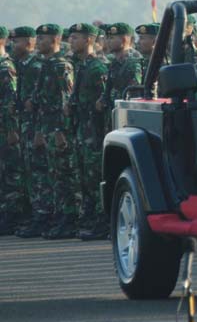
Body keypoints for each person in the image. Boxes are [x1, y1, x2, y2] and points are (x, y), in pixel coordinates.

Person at [31, 24, 76, 239]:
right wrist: (40, 130)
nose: (38, 42)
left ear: (54, 40)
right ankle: (56, 217)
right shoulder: (46, 64)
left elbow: (65, 102)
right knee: (51, 174)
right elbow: (42, 103)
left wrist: (60, 130)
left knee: (62, 175)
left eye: (42, 38)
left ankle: (67, 219)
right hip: (46, 127)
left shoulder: (61, 66)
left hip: (58, 129)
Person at [67, 24, 109, 240]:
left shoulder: (98, 68)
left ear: (88, 40)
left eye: (75, 38)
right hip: (83, 130)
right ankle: (91, 219)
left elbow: (105, 103)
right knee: (84, 177)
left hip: (96, 132)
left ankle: (103, 221)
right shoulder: (82, 66)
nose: (70, 42)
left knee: (95, 177)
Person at [10, 27, 44, 238]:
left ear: (29, 43)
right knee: (30, 172)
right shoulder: (24, 65)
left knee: (41, 173)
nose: (14, 45)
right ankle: (34, 214)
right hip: (26, 125)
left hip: (38, 126)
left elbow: (42, 101)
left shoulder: (36, 66)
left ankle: (43, 215)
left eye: (18, 41)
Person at [96, 24, 143, 132]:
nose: (108, 41)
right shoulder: (115, 61)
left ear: (124, 39)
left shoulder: (133, 61)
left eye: (112, 38)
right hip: (115, 113)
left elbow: (134, 93)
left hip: (127, 117)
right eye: (107, 38)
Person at [0, 27, 21, 235]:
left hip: (6, 129)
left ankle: (12, 216)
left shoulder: (5, 67)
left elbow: (10, 102)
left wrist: (11, 129)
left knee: (10, 173)